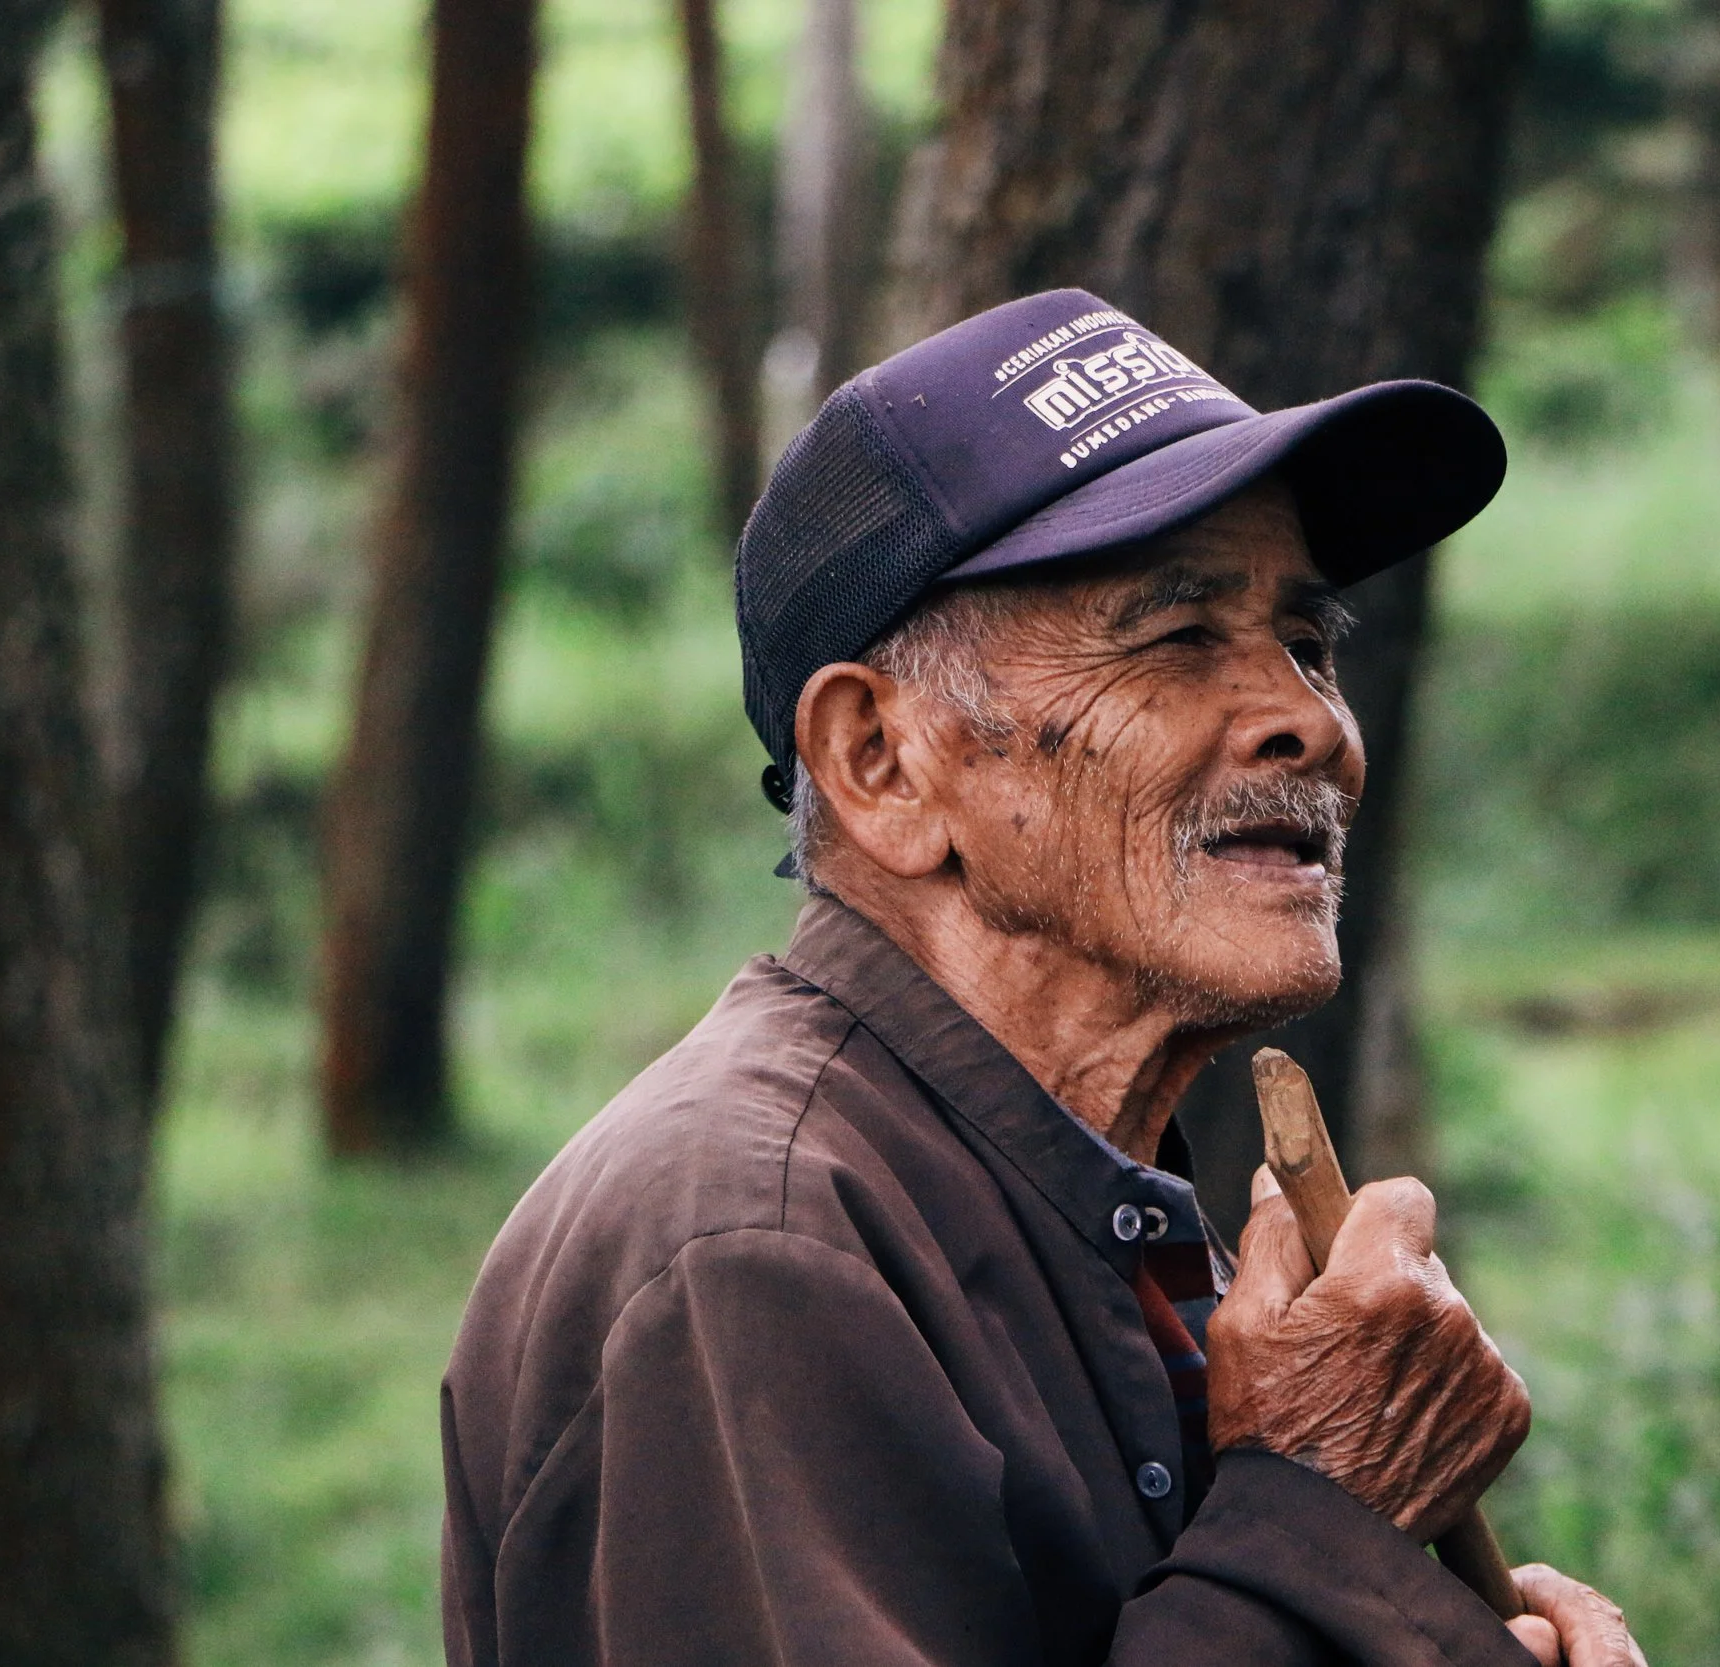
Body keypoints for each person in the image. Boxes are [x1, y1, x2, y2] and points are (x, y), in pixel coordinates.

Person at [440, 289, 1649, 1667]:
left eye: (1309, 645)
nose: (1308, 721)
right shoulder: (754, 1242)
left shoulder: (1082, 1203)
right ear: (880, 763)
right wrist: (1321, 1522)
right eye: (1179, 637)